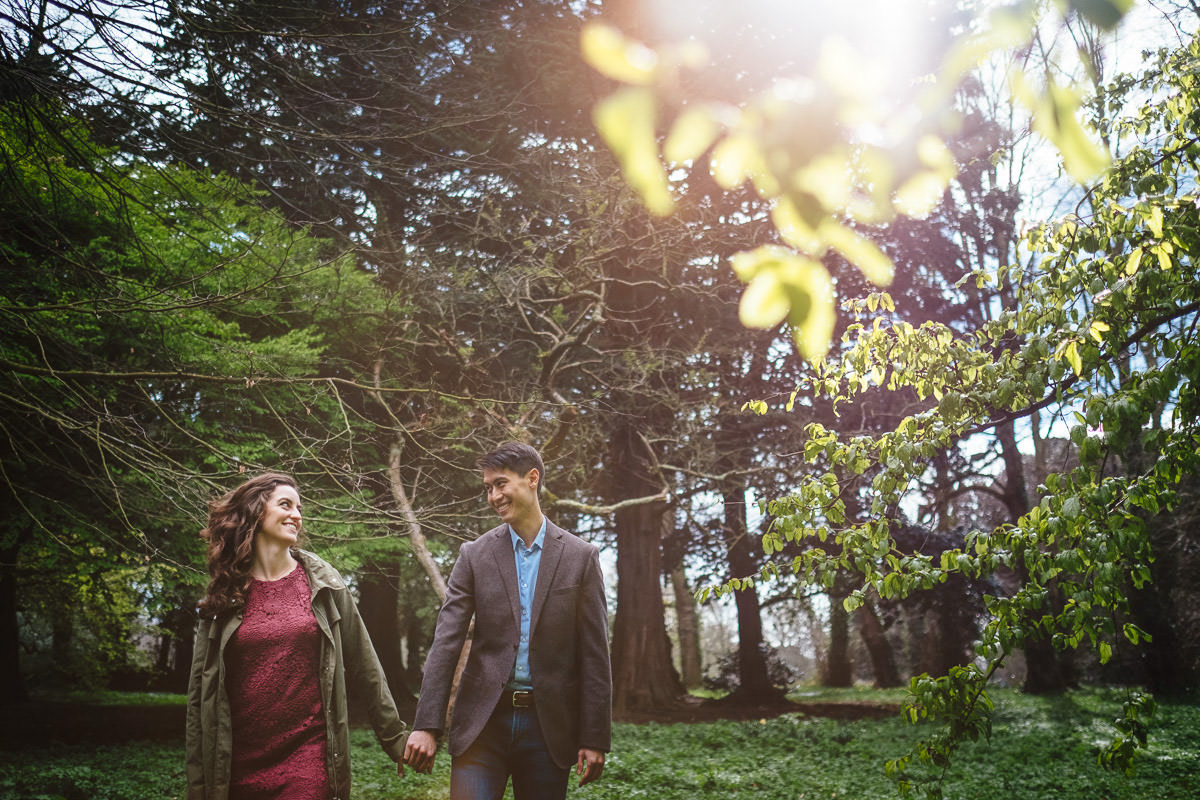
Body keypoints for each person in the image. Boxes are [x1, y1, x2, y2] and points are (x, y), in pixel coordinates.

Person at [403, 442, 612, 800]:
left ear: (532, 479)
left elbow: (595, 655)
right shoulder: (474, 555)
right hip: (481, 725)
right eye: (488, 488)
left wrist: (594, 738)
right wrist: (426, 724)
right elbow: (446, 641)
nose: (493, 496)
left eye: (500, 484)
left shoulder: (581, 557)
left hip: (549, 730)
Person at [186, 472, 409, 800]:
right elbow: (198, 697)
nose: (297, 514)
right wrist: (198, 785)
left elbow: (365, 664)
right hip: (237, 762)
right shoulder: (225, 593)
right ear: (256, 512)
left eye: (299, 507)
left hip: (308, 757)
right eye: (285, 504)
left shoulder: (324, 585)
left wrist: (394, 738)